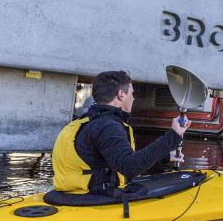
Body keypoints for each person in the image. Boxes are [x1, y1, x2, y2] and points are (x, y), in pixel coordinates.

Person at [52, 70, 188, 194]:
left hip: (68, 195)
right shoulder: (108, 126)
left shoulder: (85, 123)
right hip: (92, 199)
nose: (133, 99)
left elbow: (116, 159)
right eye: (132, 94)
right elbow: (129, 168)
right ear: (121, 95)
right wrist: (174, 135)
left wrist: (164, 156)